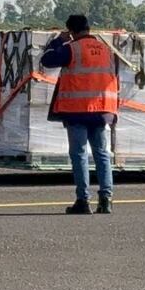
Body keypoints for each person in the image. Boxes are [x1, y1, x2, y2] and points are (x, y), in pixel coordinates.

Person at [41, 14, 118, 215]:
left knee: (79, 154)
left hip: (77, 110)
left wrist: (59, 40)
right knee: (102, 154)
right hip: (101, 110)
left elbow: (47, 60)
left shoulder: (71, 48)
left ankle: (83, 200)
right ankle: (106, 200)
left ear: (71, 31)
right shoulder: (106, 50)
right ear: (88, 28)